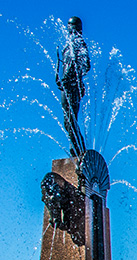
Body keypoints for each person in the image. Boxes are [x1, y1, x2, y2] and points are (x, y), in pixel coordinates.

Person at [56, 16, 90, 156]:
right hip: (65, 85)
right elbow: (63, 64)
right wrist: (59, 77)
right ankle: (77, 148)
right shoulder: (66, 46)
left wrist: (72, 76)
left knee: (71, 118)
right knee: (67, 119)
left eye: (73, 25)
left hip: (73, 85)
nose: (70, 28)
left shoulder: (79, 43)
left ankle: (78, 149)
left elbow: (86, 65)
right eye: (69, 25)